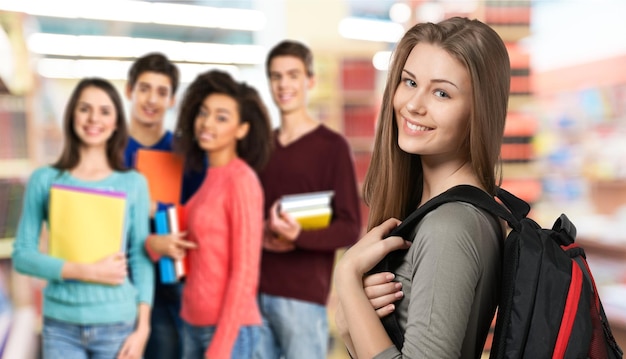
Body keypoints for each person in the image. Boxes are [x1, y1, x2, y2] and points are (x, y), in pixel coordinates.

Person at [333, 17, 510, 358]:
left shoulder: (450, 226)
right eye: (410, 82)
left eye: (442, 92)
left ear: (479, 112)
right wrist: (348, 320)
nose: (414, 104)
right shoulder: (436, 212)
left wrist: (347, 280)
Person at [12, 78, 153, 359]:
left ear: (115, 124)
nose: (93, 119)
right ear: (72, 116)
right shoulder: (45, 179)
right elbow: (22, 256)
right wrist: (88, 271)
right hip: (60, 326)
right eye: (84, 109)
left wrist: (143, 328)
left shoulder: (133, 183)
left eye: (104, 111)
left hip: (117, 324)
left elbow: (140, 258)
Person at [254, 40, 362, 359]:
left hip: (303, 300)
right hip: (253, 293)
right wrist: (260, 232)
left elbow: (349, 228)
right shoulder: (259, 148)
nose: (284, 84)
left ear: (310, 81)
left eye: (292, 75)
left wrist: (297, 236)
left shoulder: (332, 147)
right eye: (276, 76)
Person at [173, 70, 273, 358]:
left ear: (241, 129)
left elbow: (245, 271)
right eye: (203, 113)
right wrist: (155, 245)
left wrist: (221, 346)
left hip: (229, 330)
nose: (207, 123)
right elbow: (192, 250)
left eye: (221, 117)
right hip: (192, 322)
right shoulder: (208, 178)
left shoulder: (241, 180)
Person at [123, 52, 202, 359]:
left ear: (171, 100)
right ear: (130, 91)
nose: (151, 99)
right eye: (144, 88)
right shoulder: (109, 152)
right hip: (122, 283)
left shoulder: (186, 154)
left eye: (161, 91)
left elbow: (199, 215)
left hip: (175, 284)